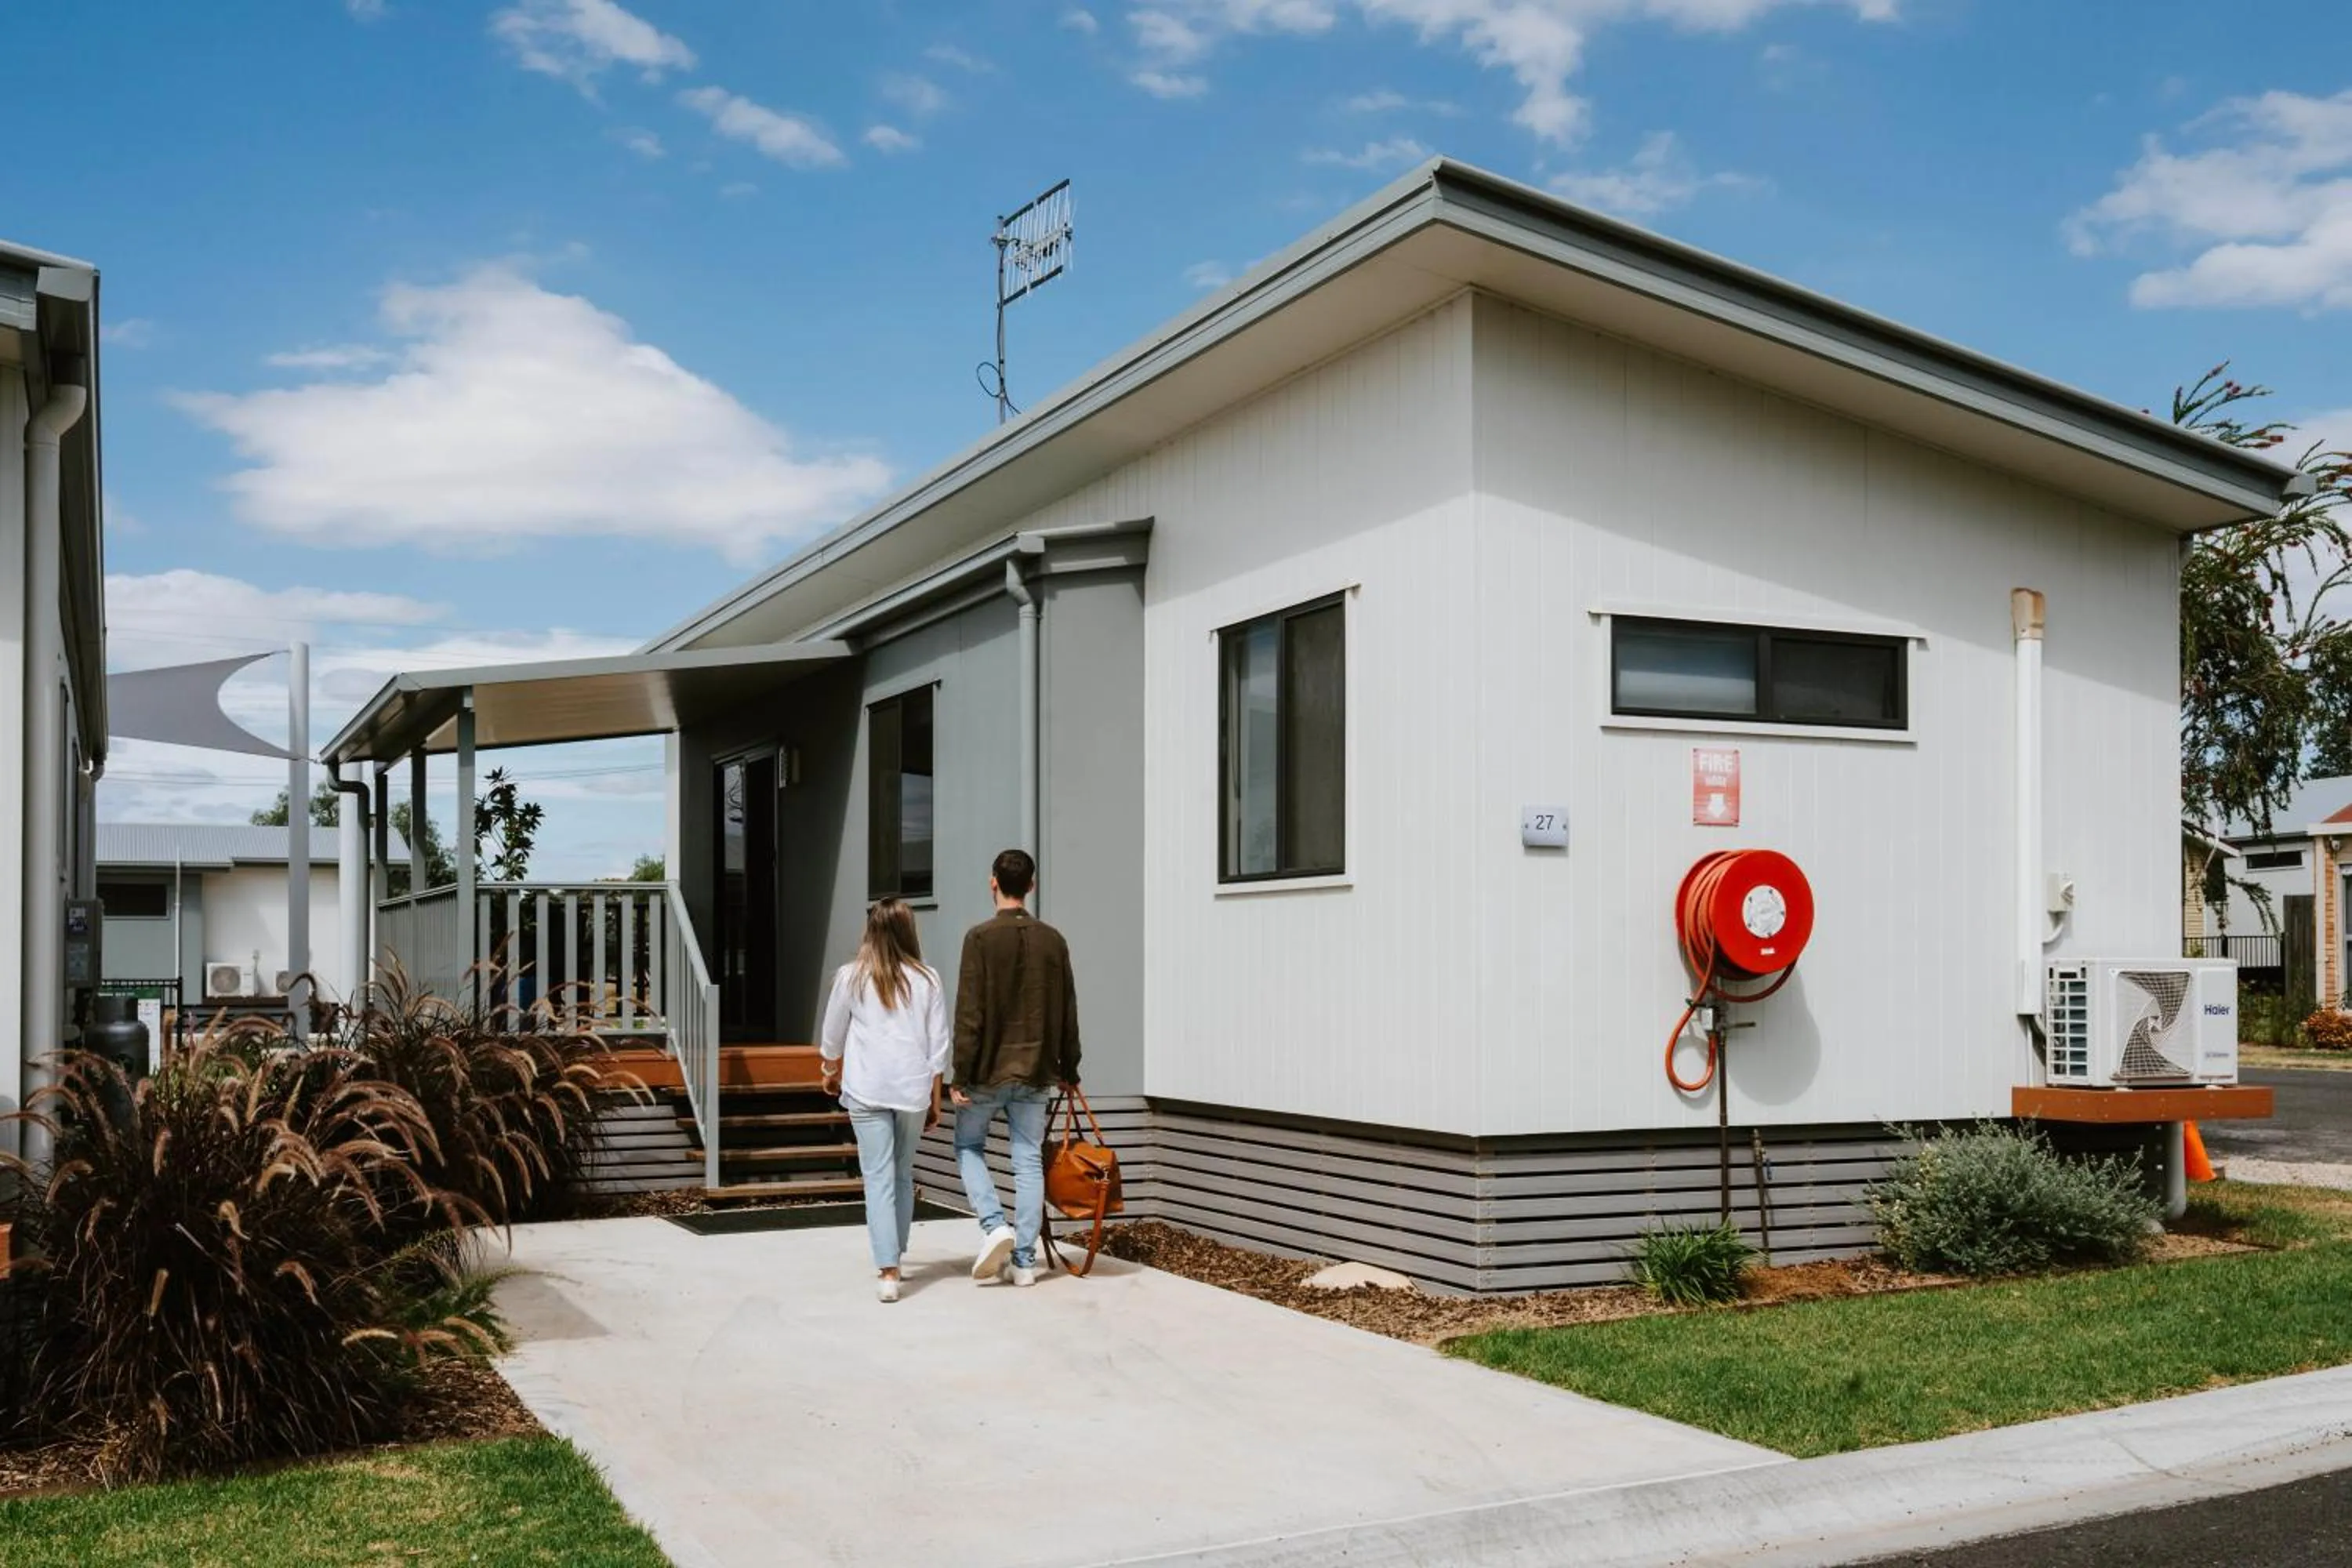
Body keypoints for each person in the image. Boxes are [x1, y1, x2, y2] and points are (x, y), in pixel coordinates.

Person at [951, 848, 1081, 1287]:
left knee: (969, 1147)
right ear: (1031, 885)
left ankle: (994, 1227)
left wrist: (960, 1073)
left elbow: (969, 1012)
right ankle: (1024, 1261)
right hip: (1038, 1069)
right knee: (1027, 1160)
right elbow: (1068, 1010)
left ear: (993, 883)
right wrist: (1070, 1066)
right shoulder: (1054, 940)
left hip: (986, 1070)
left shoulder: (980, 939)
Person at [819, 898, 949, 1304]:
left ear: (870, 931)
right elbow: (939, 1045)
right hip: (912, 1090)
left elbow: (833, 1034)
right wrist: (937, 1098)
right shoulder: (927, 979)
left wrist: (829, 1070)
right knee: (902, 1174)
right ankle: (897, 1254)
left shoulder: (851, 977)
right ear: (910, 931)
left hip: (866, 1088)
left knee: (877, 1178)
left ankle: (888, 1269)